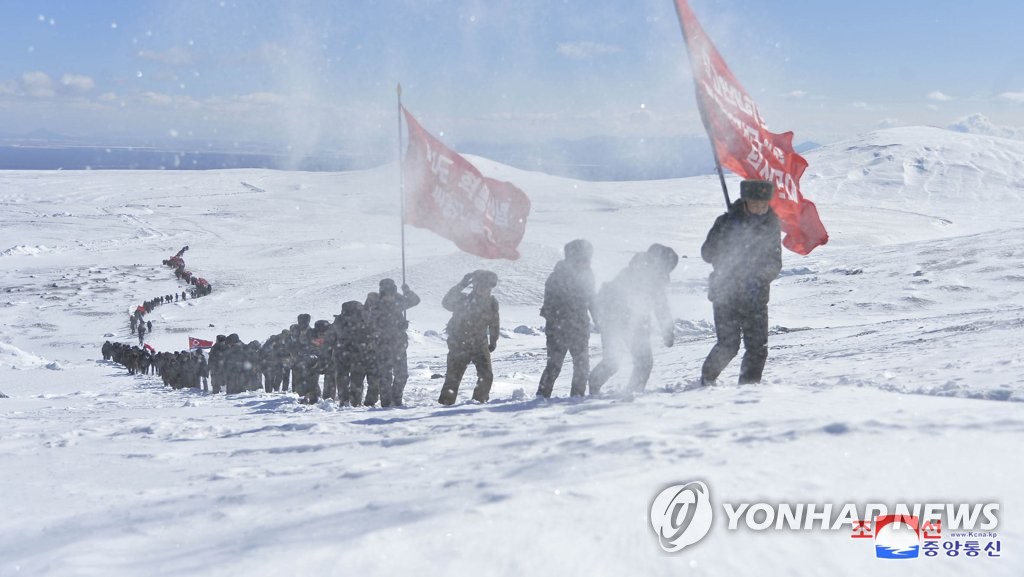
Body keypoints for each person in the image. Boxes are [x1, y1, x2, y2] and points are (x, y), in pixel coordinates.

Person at [700, 179, 782, 385]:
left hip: (755, 295)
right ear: (745, 201)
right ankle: (707, 380)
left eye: (763, 204)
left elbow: (775, 262)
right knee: (728, 345)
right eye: (755, 204)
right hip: (725, 294)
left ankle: (748, 389)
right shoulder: (725, 222)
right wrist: (725, 245)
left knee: (757, 347)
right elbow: (707, 254)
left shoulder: (771, 226)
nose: (759, 208)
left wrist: (757, 277)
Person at [588, 243, 679, 394]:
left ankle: (598, 387)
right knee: (642, 363)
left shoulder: (635, 270)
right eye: (669, 266)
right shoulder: (651, 275)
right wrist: (667, 331)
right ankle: (631, 395)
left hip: (617, 320)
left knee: (613, 360)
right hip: (628, 322)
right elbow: (660, 306)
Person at [537, 239, 596, 399]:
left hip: (579, 328)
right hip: (558, 329)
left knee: (582, 367)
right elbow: (549, 305)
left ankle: (577, 398)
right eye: (584, 257)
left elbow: (592, 301)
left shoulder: (588, 276)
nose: (587, 261)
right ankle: (541, 397)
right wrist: (561, 322)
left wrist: (599, 320)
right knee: (554, 366)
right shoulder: (557, 277)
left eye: (588, 258)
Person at [438, 270, 500, 405]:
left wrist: (494, 340)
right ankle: (445, 405)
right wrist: (461, 284)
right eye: (481, 286)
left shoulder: (491, 302)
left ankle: (478, 404)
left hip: (480, 344)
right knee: (453, 379)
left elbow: (494, 322)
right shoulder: (462, 300)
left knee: (486, 376)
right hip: (459, 344)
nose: (485, 290)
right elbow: (446, 302)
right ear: (475, 286)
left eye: (487, 287)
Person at [372, 278, 421, 407]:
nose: (389, 296)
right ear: (382, 292)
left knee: (402, 375)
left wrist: (407, 291)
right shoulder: (376, 306)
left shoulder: (399, 302)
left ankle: (397, 398)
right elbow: (372, 325)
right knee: (385, 377)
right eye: (386, 293)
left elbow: (415, 301)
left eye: (391, 292)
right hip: (382, 346)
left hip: (399, 346)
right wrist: (394, 327)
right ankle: (386, 402)